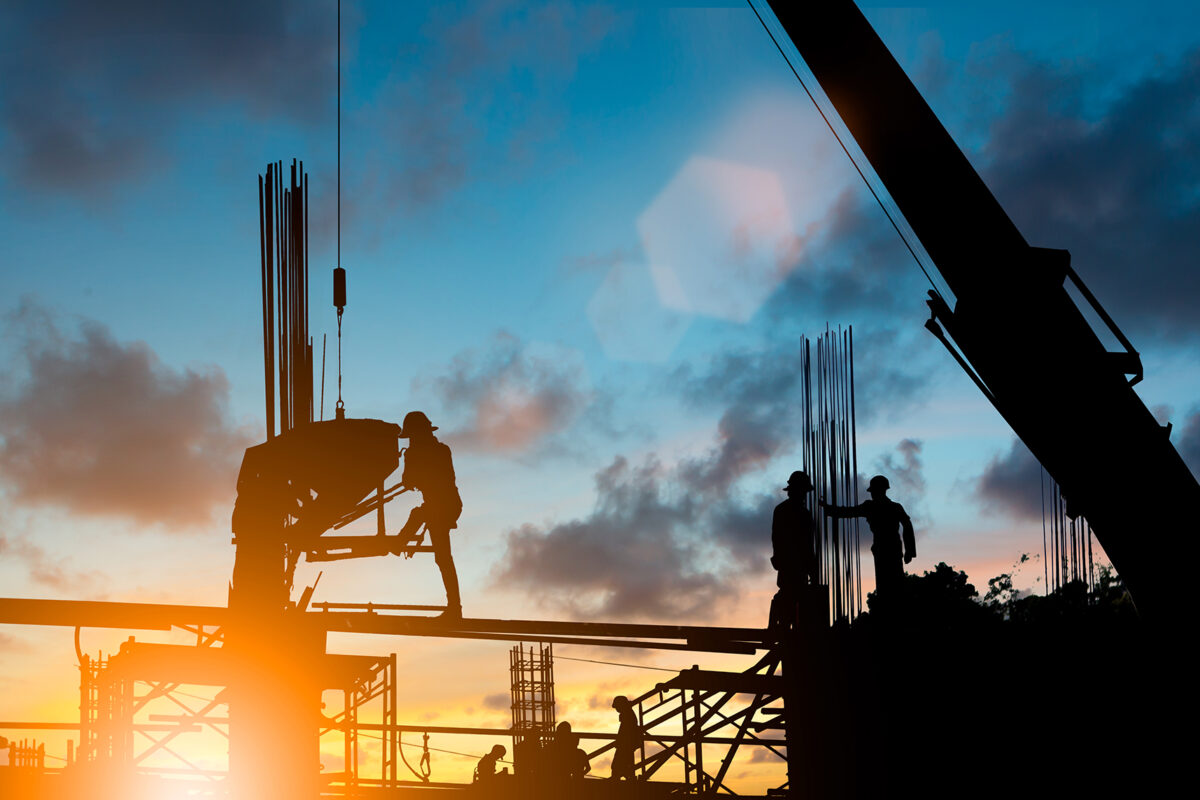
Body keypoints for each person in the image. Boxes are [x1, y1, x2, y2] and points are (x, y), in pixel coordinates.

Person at [397, 411, 464, 619]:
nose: (412, 440)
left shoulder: (435, 452)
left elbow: (410, 480)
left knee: (442, 556)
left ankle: (455, 608)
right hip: (443, 506)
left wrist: (413, 463)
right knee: (441, 554)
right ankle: (399, 543)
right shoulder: (438, 451)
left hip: (443, 507)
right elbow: (410, 481)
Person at [821, 475, 916, 599]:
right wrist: (909, 551)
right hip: (890, 550)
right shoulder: (892, 507)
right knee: (892, 586)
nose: (872, 494)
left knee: (888, 587)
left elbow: (849, 512)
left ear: (880, 490)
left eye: (874, 491)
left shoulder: (874, 507)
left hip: (886, 550)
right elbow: (849, 512)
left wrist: (910, 551)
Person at [770, 470, 818, 629]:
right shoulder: (797, 513)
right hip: (792, 564)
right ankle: (784, 627)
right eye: (803, 491)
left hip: (795, 564)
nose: (804, 495)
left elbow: (807, 542)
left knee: (794, 597)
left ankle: (786, 627)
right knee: (791, 596)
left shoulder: (794, 512)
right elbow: (779, 537)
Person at [610, 695, 639, 781]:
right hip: (627, 744)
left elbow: (624, 730)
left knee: (617, 765)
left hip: (625, 744)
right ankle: (628, 778)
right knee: (626, 765)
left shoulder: (627, 714)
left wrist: (619, 740)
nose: (616, 709)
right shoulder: (628, 713)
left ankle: (617, 781)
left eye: (617, 707)